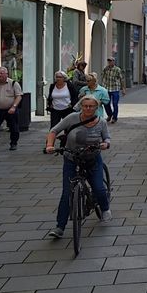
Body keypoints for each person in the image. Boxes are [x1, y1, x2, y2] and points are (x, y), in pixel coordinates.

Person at [44, 94, 112, 238]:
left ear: (97, 107)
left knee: (99, 188)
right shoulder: (72, 118)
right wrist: (50, 145)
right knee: (67, 193)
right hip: (72, 158)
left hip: (92, 158)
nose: (88, 108)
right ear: (81, 106)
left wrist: (105, 143)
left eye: (91, 106)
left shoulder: (101, 122)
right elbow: (54, 131)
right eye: (85, 105)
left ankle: (105, 209)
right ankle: (59, 227)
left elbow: (106, 137)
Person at [101, 58, 125, 123]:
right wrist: (102, 87)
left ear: (114, 62)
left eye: (111, 61)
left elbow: (121, 79)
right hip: (107, 88)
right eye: (108, 61)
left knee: (115, 103)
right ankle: (109, 114)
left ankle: (114, 117)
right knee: (106, 103)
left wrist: (123, 89)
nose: (110, 62)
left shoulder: (117, 69)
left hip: (115, 88)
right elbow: (103, 77)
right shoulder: (105, 69)